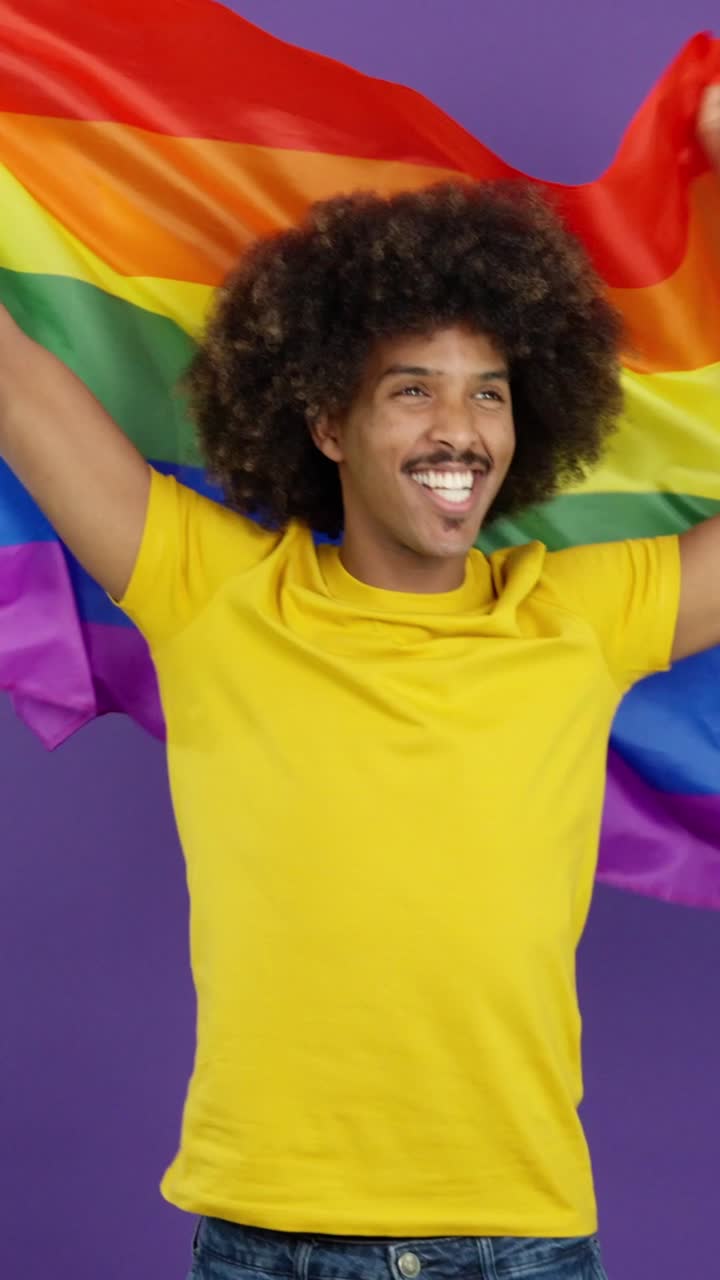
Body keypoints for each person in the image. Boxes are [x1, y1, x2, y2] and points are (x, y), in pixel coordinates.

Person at [1, 168, 719, 1280]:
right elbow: (15, 383)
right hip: (264, 1241)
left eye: (490, 392)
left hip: (516, 1240)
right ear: (329, 421)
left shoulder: (581, 614)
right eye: (414, 390)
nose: (461, 429)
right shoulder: (211, 589)